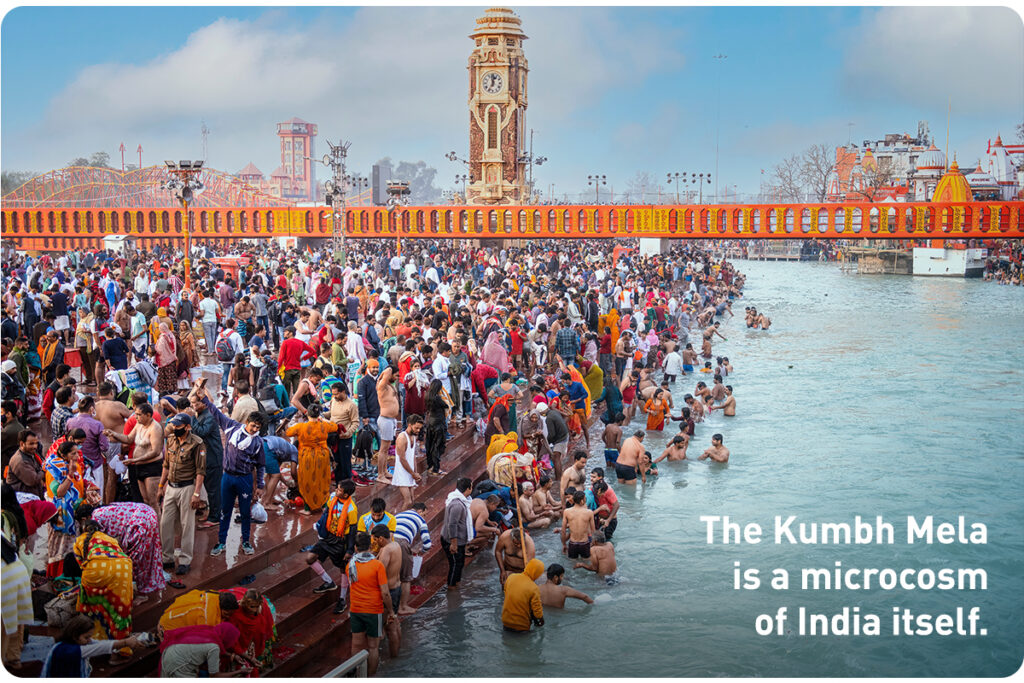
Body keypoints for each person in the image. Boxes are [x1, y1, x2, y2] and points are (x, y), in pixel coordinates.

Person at [193, 378, 266, 558]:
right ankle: (221, 542)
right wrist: (204, 398)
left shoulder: (258, 442)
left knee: (245, 512)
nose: (254, 429)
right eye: (252, 425)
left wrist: (261, 486)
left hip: (244, 480)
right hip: (227, 478)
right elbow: (216, 413)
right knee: (225, 512)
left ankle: (246, 542)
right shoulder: (232, 427)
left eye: (258, 427)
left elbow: (261, 465)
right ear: (247, 422)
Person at [75, 488, 166, 596]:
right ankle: (152, 581)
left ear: (84, 519)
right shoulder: (102, 509)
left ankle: (143, 594)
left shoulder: (95, 519)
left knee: (138, 559)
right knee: (150, 553)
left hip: (140, 522)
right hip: (148, 513)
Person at [73, 520, 134, 650]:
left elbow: (81, 565)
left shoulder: (79, 540)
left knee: (91, 605)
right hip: (122, 567)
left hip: (94, 571)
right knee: (119, 610)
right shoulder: (109, 538)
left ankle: (94, 640)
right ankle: (119, 651)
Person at [158, 413, 206, 576]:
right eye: (174, 425)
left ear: (187, 427)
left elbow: (200, 471)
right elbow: (166, 464)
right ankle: (167, 557)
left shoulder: (197, 444)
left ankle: (185, 560)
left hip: (187, 487)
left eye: (178, 426)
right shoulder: (170, 439)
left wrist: (197, 494)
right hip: (171, 486)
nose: (174, 428)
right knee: (165, 523)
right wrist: (160, 485)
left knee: (187, 525)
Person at [347, 531, 395, 677]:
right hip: (374, 610)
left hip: (356, 609)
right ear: (370, 546)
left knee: (356, 644)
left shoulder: (350, 565)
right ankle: (370, 676)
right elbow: (385, 593)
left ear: (355, 548)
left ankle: (356, 674)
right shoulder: (377, 565)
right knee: (373, 647)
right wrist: (391, 611)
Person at [307, 479, 358, 614]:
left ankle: (342, 599)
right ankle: (328, 582)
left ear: (346, 495)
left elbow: (353, 530)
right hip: (328, 538)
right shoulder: (332, 497)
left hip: (341, 541)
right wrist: (320, 527)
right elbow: (326, 513)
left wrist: (350, 550)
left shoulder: (352, 509)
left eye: (339, 490)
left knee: (343, 569)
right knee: (310, 558)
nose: (336, 491)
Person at [105, 402, 164, 514]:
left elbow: (156, 451)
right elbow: (128, 439)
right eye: (135, 414)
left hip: (151, 467)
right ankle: (148, 528)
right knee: (145, 501)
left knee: (153, 502)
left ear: (148, 415)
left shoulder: (155, 428)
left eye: (139, 415)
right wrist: (113, 434)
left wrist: (135, 460)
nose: (136, 417)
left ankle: (158, 530)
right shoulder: (138, 425)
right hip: (139, 466)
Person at [41, 614, 143, 678]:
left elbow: (99, 644)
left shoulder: (76, 642)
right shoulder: (66, 650)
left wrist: (132, 639)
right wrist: (125, 642)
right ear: (75, 635)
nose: (89, 640)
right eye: (86, 637)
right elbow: (97, 648)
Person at [286, 403, 341, 515]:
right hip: (322, 455)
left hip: (307, 457)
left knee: (307, 481)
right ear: (319, 414)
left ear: (307, 414)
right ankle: (324, 506)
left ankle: (308, 508)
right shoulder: (324, 425)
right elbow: (335, 426)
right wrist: (324, 420)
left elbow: (288, 432)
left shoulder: (301, 426)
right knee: (323, 480)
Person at [159, 622, 247, 678]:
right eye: (232, 641)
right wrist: (239, 672)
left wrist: (232, 656)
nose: (231, 644)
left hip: (170, 652)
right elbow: (215, 676)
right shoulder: (214, 648)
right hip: (177, 664)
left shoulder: (211, 631)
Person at [393, 502, 431, 615]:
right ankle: (403, 607)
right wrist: (421, 552)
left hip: (388, 542)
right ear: (420, 511)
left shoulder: (398, 515)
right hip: (402, 543)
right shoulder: (420, 519)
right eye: (425, 514)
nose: (425, 517)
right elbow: (428, 544)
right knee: (406, 578)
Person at [371, 525, 403, 657]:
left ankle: (394, 658)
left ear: (381, 538)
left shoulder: (386, 551)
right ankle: (398, 653)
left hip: (389, 592)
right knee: (394, 621)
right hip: (397, 587)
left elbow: (380, 571)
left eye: (375, 539)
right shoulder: (396, 545)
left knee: (390, 627)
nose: (374, 542)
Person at [441, 477, 473, 589]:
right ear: (468, 488)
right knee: (455, 564)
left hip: (459, 539)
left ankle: (457, 583)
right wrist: (453, 543)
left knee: (460, 563)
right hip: (453, 540)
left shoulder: (462, 501)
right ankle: (452, 586)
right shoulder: (457, 505)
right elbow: (452, 524)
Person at [501, 558, 545, 632]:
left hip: (505, 622)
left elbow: (506, 592)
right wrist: (541, 621)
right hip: (521, 626)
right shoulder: (534, 588)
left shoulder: (511, 577)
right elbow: (537, 612)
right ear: (536, 573)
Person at [375, 364, 400, 484]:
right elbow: (387, 372)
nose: (397, 377)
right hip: (385, 419)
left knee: (387, 448)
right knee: (383, 449)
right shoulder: (382, 387)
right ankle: (380, 475)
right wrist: (388, 369)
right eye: (395, 375)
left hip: (391, 420)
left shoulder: (390, 386)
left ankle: (384, 471)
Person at [391, 414, 423, 508]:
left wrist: (415, 472)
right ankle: (399, 521)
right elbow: (402, 459)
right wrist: (413, 473)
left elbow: (412, 456)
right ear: (409, 424)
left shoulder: (413, 436)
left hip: (410, 472)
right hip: (402, 473)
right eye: (416, 428)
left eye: (419, 428)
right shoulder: (402, 438)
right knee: (408, 501)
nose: (418, 430)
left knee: (412, 500)